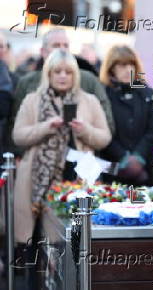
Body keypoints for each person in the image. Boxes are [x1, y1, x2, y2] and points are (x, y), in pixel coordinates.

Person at [12, 49, 111, 246]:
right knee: (36, 242)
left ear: (75, 75)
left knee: (73, 242)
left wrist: (85, 130)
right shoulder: (32, 99)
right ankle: (37, 275)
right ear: (48, 74)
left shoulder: (88, 100)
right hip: (38, 179)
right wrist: (45, 127)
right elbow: (18, 136)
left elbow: (104, 138)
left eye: (68, 72)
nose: (63, 76)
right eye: (57, 72)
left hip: (77, 176)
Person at [9, 28, 115, 156]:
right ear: (43, 52)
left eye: (65, 45)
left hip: (80, 164)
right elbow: (15, 127)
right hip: (38, 164)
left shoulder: (89, 82)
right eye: (56, 45)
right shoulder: (29, 87)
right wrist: (45, 128)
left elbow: (106, 129)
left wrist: (84, 130)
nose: (61, 49)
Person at [99, 45, 153, 186]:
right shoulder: (103, 95)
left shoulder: (147, 93)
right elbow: (102, 131)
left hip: (146, 169)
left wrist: (138, 157)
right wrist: (124, 157)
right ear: (111, 68)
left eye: (131, 64)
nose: (128, 70)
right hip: (113, 170)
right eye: (122, 65)